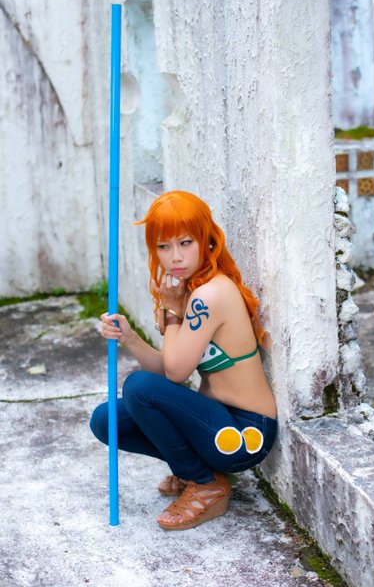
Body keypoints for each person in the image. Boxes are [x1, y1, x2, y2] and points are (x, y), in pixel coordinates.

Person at [90, 190, 277, 531]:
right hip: (212, 422)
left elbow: (174, 374)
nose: (175, 257)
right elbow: (168, 369)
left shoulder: (209, 294)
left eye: (185, 243)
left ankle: (205, 484)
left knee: (139, 387)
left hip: (246, 434)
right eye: (163, 246)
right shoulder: (192, 289)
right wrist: (129, 337)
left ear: (207, 240)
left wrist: (173, 312)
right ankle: (197, 469)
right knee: (107, 421)